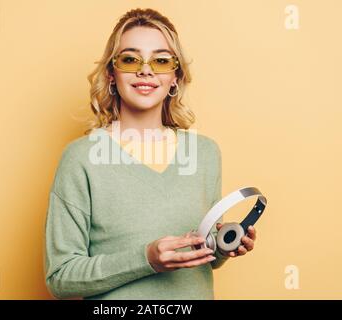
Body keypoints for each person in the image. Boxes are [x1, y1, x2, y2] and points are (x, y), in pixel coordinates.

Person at [44, 8, 256, 300]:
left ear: (175, 77)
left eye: (161, 60)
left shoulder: (205, 153)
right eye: (130, 59)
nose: (146, 70)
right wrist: (146, 260)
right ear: (110, 74)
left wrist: (223, 245)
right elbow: (60, 277)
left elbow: (204, 254)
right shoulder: (81, 159)